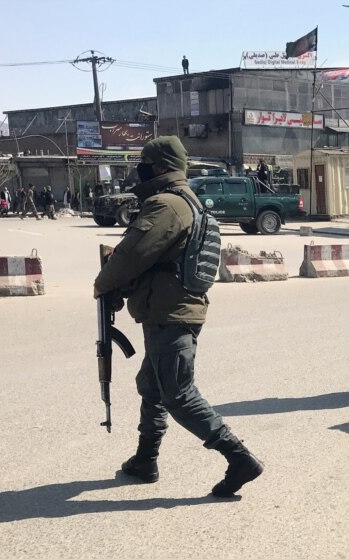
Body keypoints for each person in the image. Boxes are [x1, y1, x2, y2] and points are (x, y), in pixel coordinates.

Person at [93, 135, 263, 497]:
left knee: (178, 394)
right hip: (171, 308)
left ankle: (239, 458)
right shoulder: (185, 201)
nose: (141, 169)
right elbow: (154, 260)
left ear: (159, 167)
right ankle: (145, 459)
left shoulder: (166, 205)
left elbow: (132, 254)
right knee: (153, 386)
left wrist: (103, 284)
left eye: (145, 163)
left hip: (171, 312)